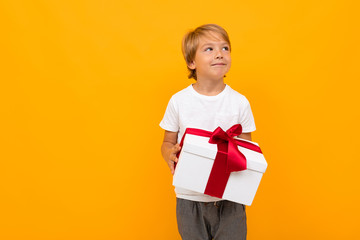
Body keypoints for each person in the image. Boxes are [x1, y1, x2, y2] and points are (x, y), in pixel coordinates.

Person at [160, 24, 256, 240]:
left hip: (230, 199)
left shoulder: (240, 103)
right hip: (189, 198)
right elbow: (167, 141)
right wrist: (169, 153)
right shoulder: (179, 101)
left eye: (225, 48)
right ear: (191, 62)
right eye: (209, 49)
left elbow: (249, 151)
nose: (219, 54)